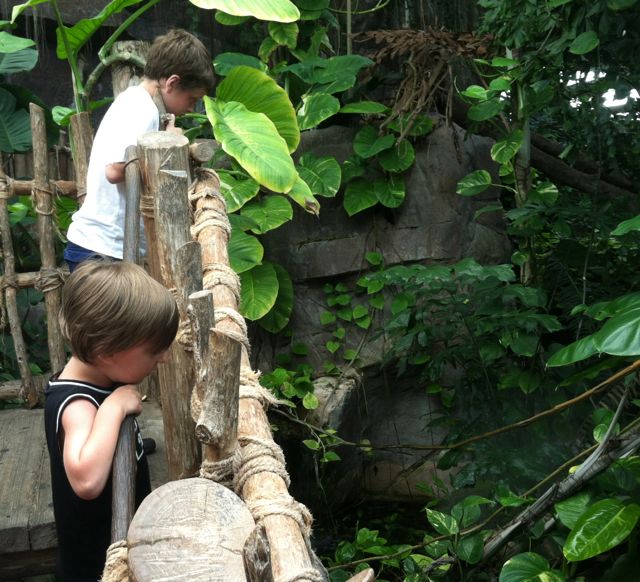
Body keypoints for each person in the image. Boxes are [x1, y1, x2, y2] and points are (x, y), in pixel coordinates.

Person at [44, 260, 179, 581]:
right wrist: (113, 409)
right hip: (97, 568)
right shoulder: (78, 404)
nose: (164, 357)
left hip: (125, 540)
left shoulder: (104, 375)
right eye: (154, 350)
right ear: (108, 352)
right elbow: (86, 480)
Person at [64, 28, 215, 272]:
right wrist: (166, 144)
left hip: (102, 249)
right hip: (100, 251)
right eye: (191, 98)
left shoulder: (142, 105)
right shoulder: (140, 108)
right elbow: (114, 170)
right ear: (172, 83)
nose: (192, 107)